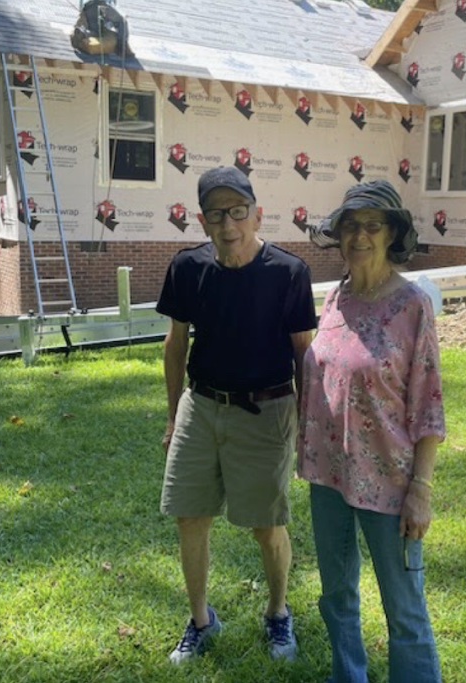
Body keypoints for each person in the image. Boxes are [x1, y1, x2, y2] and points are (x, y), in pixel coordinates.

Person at [156, 166, 317, 665]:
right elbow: (175, 343)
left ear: (256, 213)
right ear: (203, 221)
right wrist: (171, 416)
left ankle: (277, 613)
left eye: (238, 211)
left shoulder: (288, 272)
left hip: (265, 410)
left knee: (266, 526)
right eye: (217, 213)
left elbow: (304, 355)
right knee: (189, 516)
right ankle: (201, 620)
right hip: (200, 407)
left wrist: (307, 428)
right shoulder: (187, 268)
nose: (229, 224)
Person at [300, 180, 445, 683]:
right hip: (329, 477)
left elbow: (428, 402)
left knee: (404, 610)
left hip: (389, 482)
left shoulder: (411, 305)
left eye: (372, 225)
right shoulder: (335, 299)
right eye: (350, 225)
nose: (359, 235)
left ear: (391, 234)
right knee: (337, 597)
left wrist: (421, 490)